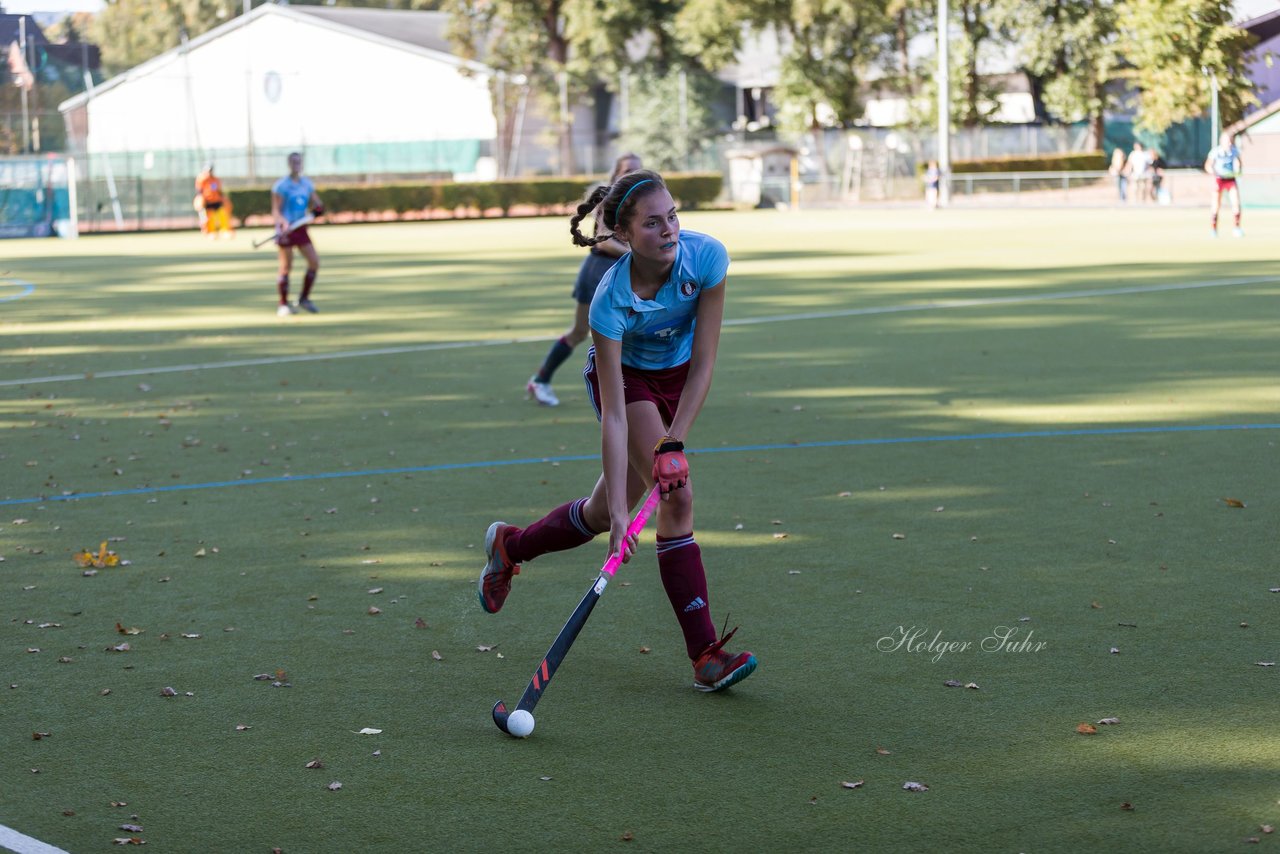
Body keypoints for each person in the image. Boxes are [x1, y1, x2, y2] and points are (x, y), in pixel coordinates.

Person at [478, 169, 758, 694]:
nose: (670, 229)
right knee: (676, 498)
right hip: (627, 383)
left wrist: (674, 438)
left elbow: (704, 363)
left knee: (600, 512)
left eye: (673, 215)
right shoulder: (611, 298)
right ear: (625, 235)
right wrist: (644, 491)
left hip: (678, 378)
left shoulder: (708, 258)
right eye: (653, 223)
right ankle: (705, 655)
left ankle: (510, 547)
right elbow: (615, 415)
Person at [526, 153, 643, 406]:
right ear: (616, 174)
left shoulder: (640, 201)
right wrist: (638, 254)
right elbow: (605, 240)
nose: (633, 174)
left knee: (629, 333)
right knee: (580, 332)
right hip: (599, 270)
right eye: (628, 170)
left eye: (638, 170)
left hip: (623, 272)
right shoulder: (608, 199)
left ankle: (635, 390)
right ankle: (541, 380)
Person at [270, 152, 325, 316]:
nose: (296, 164)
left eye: (299, 162)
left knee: (314, 262)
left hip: (300, 228)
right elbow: (275, 211)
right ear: (288, 164)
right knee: (286, 267)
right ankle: (283, 304)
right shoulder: (281, 186)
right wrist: (283, 223)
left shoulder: (306, 184)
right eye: (293, 162)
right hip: (286, 229)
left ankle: (304, 298)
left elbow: (318, 204)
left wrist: (318, 210)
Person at [1205, 131, 1243, 237]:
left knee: (1236, 203)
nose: (1229, 143)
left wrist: (1238, 169)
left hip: (1230, 179)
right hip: (1219, 179)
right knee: (1216, 205)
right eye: (1227, 141)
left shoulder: (1234, 151)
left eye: (1230, 141)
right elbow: (1208, 166)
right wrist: (1213, 173)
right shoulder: (1215, 152)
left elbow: (1239, 163)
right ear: (1222, 141)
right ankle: (1213, 230)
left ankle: (1237, 228)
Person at [195, 164, 234, 239]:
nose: (209, 173)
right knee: (206, 219)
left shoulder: (215, 180)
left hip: (216, 202)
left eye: (210, 171)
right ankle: (209, 232)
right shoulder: (201, 179)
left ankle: (224, 231)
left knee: (223, 216)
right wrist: (200, 199)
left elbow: (218, 191)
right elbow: (199, 191)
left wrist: (223, 198)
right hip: (206, 203)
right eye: (208, 171)